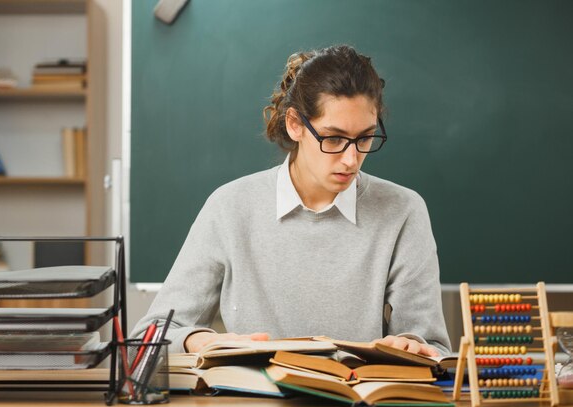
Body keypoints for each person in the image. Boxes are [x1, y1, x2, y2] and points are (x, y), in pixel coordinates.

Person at [132, 45, 451, 357]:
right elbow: (148, 338)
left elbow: (434, 349)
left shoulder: (404, 211)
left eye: (365, 138)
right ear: (295, 124)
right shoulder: (230, 207)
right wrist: (199, 341)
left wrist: (412, 348)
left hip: (359, 406)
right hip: (256, 406)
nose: (351, 159)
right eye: (334, 138)